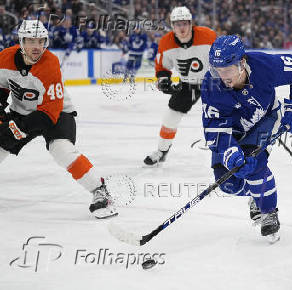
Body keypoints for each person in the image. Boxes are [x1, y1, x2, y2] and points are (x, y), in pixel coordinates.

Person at [201, 35, 292, 242]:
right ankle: (256, 193)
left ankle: (268, 211)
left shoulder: (265, 66)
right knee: (228, 184)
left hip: (266, 119)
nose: (222, 75)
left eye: (228, 69)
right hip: (232, 132)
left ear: (242, 63)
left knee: (254, 166)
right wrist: (229, 151)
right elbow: (214, 127)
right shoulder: (211, 85)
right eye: (217, 69)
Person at [0, 20, 117, 219]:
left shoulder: (50, 63)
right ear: (21, 41)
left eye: (40, 41)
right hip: (21, 112)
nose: (36, 46)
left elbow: (49, 113)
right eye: (30, 41)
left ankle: (100, 190)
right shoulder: (4, 58)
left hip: (57, 112)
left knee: (61, 149)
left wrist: (18, 128)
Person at [144, 6, 216, 166]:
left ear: (191, 24)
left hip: (213, 82)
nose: (181, 28)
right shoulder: (166, 42)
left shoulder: (208, 35)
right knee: (170, 118)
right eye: (177, 24)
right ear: (172, 26)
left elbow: (222, 56)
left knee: (225, 115)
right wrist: (164, 82)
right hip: (187, 84)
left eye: (184, 23)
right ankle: (162, 151)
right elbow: (162, 67)